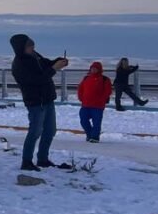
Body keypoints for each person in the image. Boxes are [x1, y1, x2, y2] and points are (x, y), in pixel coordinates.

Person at [10, 33, 69, 172]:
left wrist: (58, 61)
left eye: (33, 45)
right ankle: (26, 161)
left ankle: (43, 159)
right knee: (35, 132)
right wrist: (54, 68)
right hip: (35, 102)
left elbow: (46, 64)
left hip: (47, 99)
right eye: (29, 46)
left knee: (50, 131)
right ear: (21, 48)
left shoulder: (35, 56)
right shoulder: (19, 64)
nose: (32, 48)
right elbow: (36, 80)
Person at [78, 61, 113, 142]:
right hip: (85, 104)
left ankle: (95, 137)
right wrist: (81, 97)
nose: (93, 70)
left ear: (99, 69)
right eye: (92, 68)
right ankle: (89, 134)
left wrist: (101, 99)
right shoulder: (86, 78)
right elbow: (80, 88)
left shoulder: (105, 79)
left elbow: (108, 91)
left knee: (96, 122)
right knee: (83, 120)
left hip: (98, 106)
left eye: (95, 68)